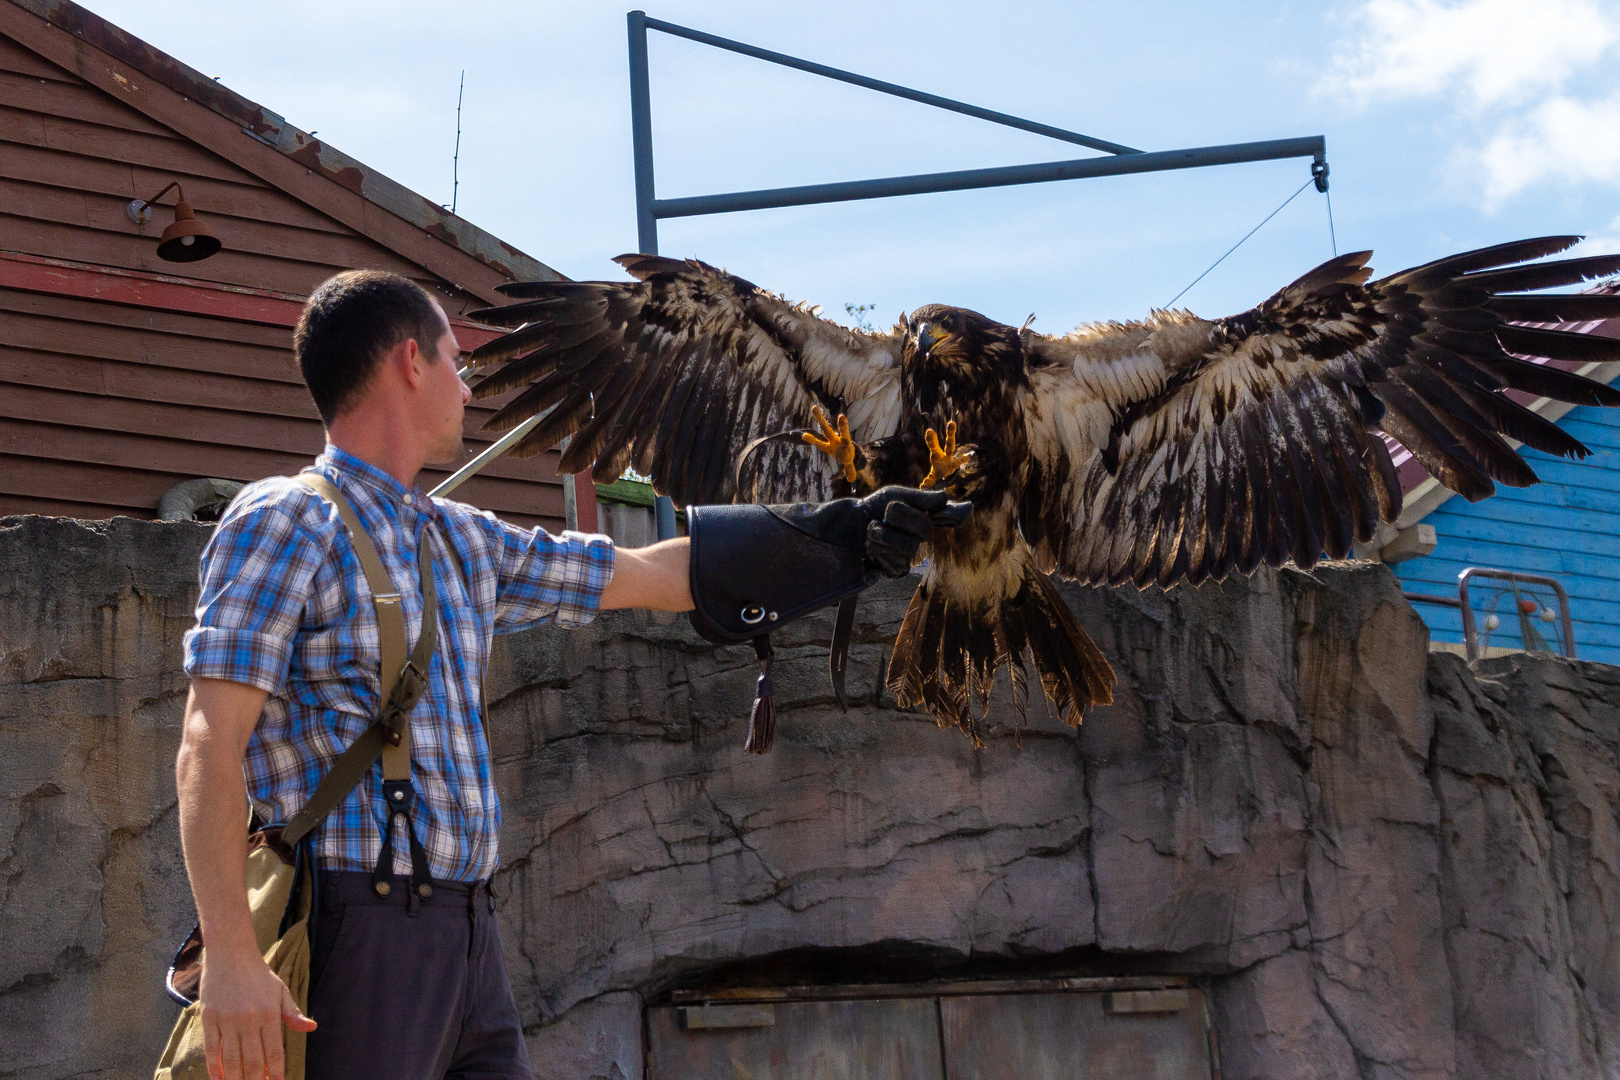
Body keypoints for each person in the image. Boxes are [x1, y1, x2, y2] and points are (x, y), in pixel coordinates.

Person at [175, 269, 958, 1080]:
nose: (465, 388)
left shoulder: (459, 541)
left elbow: (648, 574)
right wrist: (231, 955)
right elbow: (208, 739)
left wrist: (844, 536)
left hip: (469, 930)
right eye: (455, 362)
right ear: (411, 362)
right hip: (355, 924)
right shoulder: (285, 518)